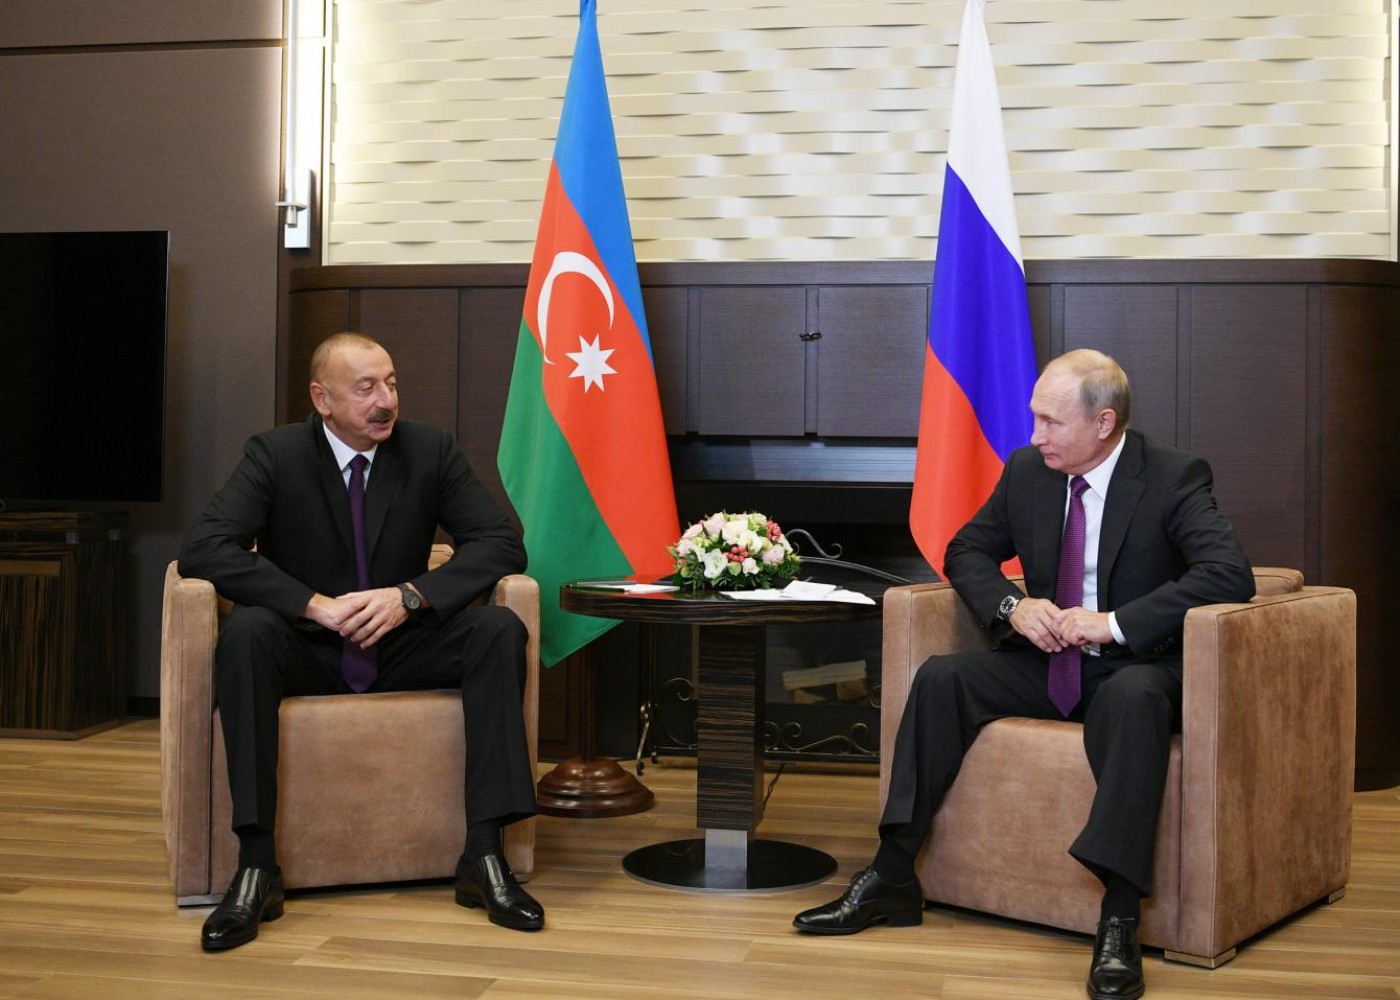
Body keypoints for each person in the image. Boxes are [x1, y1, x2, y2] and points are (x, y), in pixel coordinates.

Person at [793, 349, 1254, 1000]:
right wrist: (1015, 607)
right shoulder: (1028, 472)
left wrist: (1114, 623)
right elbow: (967, 549)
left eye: (1050, 422)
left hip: (1136, 665)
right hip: (1050, 662)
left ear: (1103, 423)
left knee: (1133, 697)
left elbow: (1228, 573)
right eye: (1034, 418)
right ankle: (891, 876)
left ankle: (1119, 917)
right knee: (943, 678)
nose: (1035, 435)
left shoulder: (1173, 476)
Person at [179, 332, 543, 951]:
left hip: (403, 645)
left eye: (392, 384)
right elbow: (205, 548)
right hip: (309, 648)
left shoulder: (429, 449)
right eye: (367, 388)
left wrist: (410, 597)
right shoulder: (275, 454)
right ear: (322, 398)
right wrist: (312, 604)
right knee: (247, 633)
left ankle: (483, 855)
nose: (386, 401)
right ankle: (257, 865)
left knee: (497, 629)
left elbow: (501, 542)